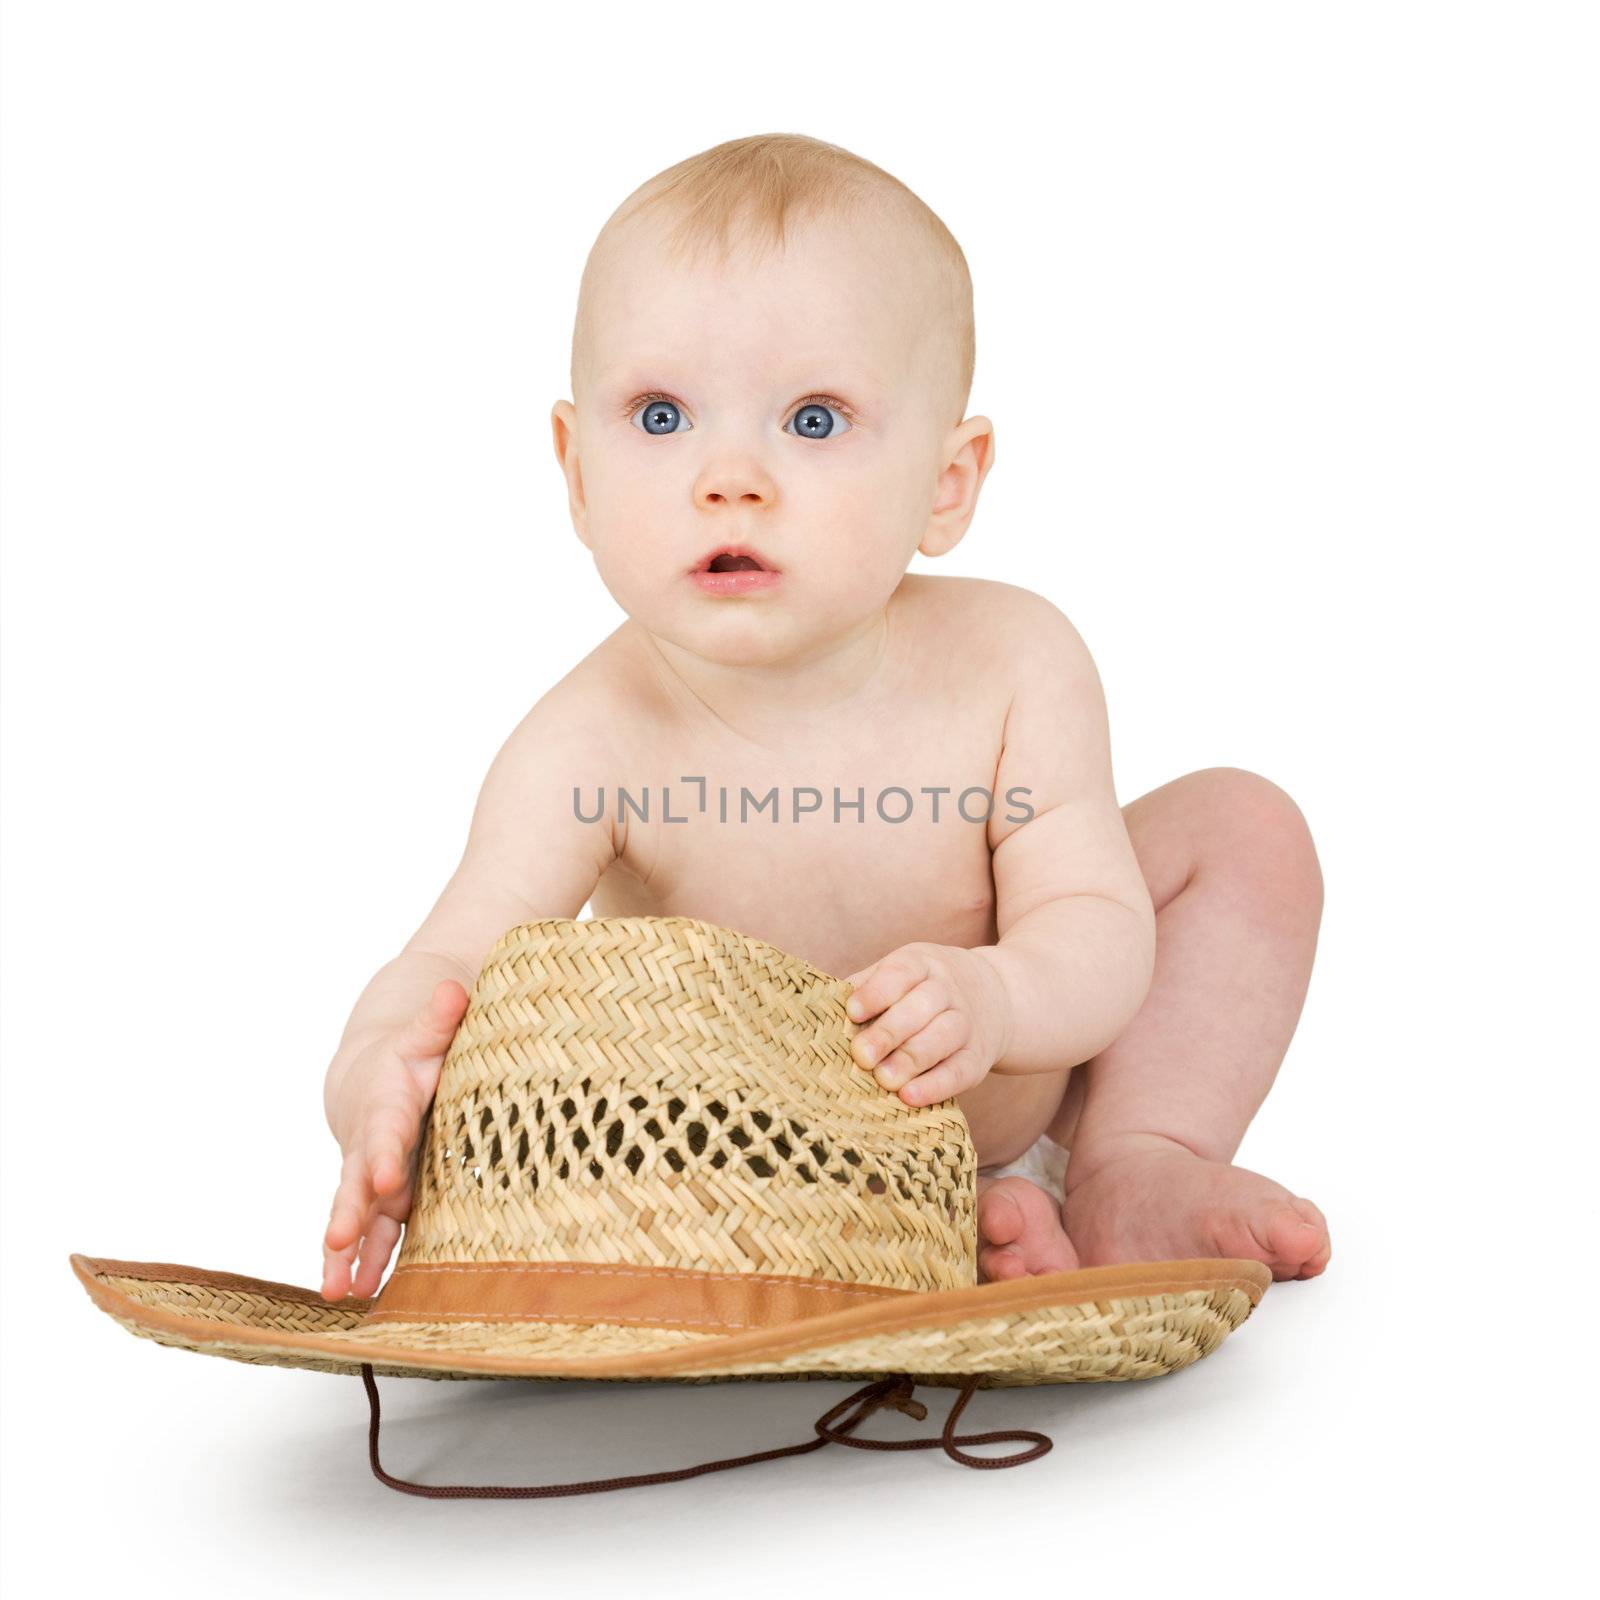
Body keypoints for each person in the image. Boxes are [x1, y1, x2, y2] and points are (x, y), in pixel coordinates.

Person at [320, 133, 1330, 1303]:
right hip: (769, 1191)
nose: (728, 476)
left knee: (1242, 828)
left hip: (1019, 1092)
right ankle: (950, 1224)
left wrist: (997, 995)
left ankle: (1128, 1161)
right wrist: (371, 1076)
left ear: (947, 484)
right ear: (577, 474)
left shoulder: (1014, 659)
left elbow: (1098, 928)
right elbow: (450, 960)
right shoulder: (589, 743)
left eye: (811, 421)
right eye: (658, 417)